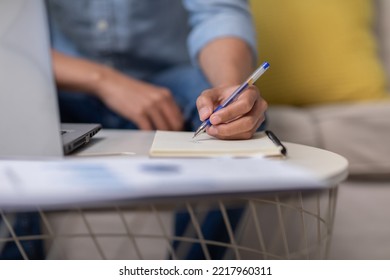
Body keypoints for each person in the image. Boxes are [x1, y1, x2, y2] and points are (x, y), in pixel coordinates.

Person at [46, 0, 267, 259]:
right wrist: (104, 81)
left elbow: (218, 12)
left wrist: (229, 89)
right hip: (60, 84)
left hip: (170, 79)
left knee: (237, 122)